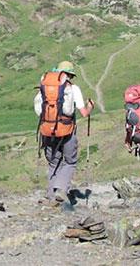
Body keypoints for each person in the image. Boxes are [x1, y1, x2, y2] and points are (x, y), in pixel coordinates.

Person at [36, 60, 95, 203]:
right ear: (70, 75)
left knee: (53, 162)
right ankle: (61, 190)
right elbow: (84, 113)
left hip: (47, 129)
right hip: (67, 129)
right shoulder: (73, 89)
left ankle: (51, 194)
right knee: (70, 161)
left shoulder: (45, 87)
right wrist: (90, 106)